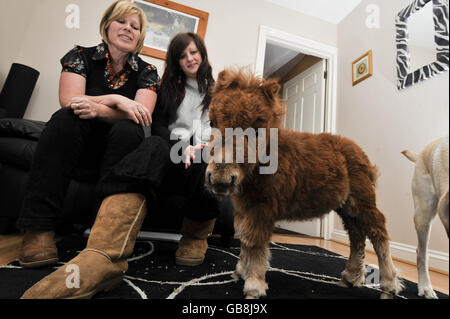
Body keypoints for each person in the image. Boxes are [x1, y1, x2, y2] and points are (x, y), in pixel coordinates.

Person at [21, 32, 222, 299]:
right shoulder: (166, 88)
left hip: (203, 155)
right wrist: (181, 147)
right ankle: (104, 256)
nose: (189, 58)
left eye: (194, 52)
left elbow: (225, 130)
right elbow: (159, 126)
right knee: (153, 145)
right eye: (182, 55)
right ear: (175, 61)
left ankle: (195, 237)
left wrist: (205, 146)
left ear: (203, 53)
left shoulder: (221, 91)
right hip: (171, 153)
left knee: (204, 160)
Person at [16, 0, 160, 269]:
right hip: (77, 142)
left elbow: (141, 115)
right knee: (66, 117)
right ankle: (37, 228)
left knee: (130, 129)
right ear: (107, 26)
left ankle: (102, 233)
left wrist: (95, 107)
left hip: (118, 149)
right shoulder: (80, 55)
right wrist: (118, 99)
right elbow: (70, 100)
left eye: (135, 26)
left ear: (140, 37)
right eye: (121, 22)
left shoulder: (148, 72)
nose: (128, 29)